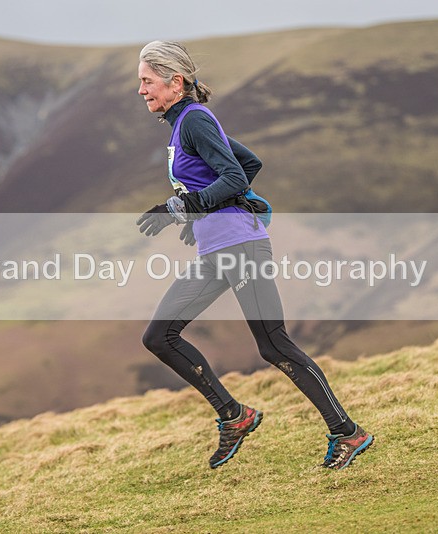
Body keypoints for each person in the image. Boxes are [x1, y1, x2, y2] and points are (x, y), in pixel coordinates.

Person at [136, 41, 373, 470]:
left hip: (241, 247)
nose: (141, 90)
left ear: (176, 81)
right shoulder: (183, 124)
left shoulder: (194, 121)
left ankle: (348, 432)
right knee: (159, 336)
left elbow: (232, 176)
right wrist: (201, 217)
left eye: (147, 81)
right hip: (218, 248)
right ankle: (234, 416)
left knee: (273, 343)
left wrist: (180, 210)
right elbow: (248, 163)